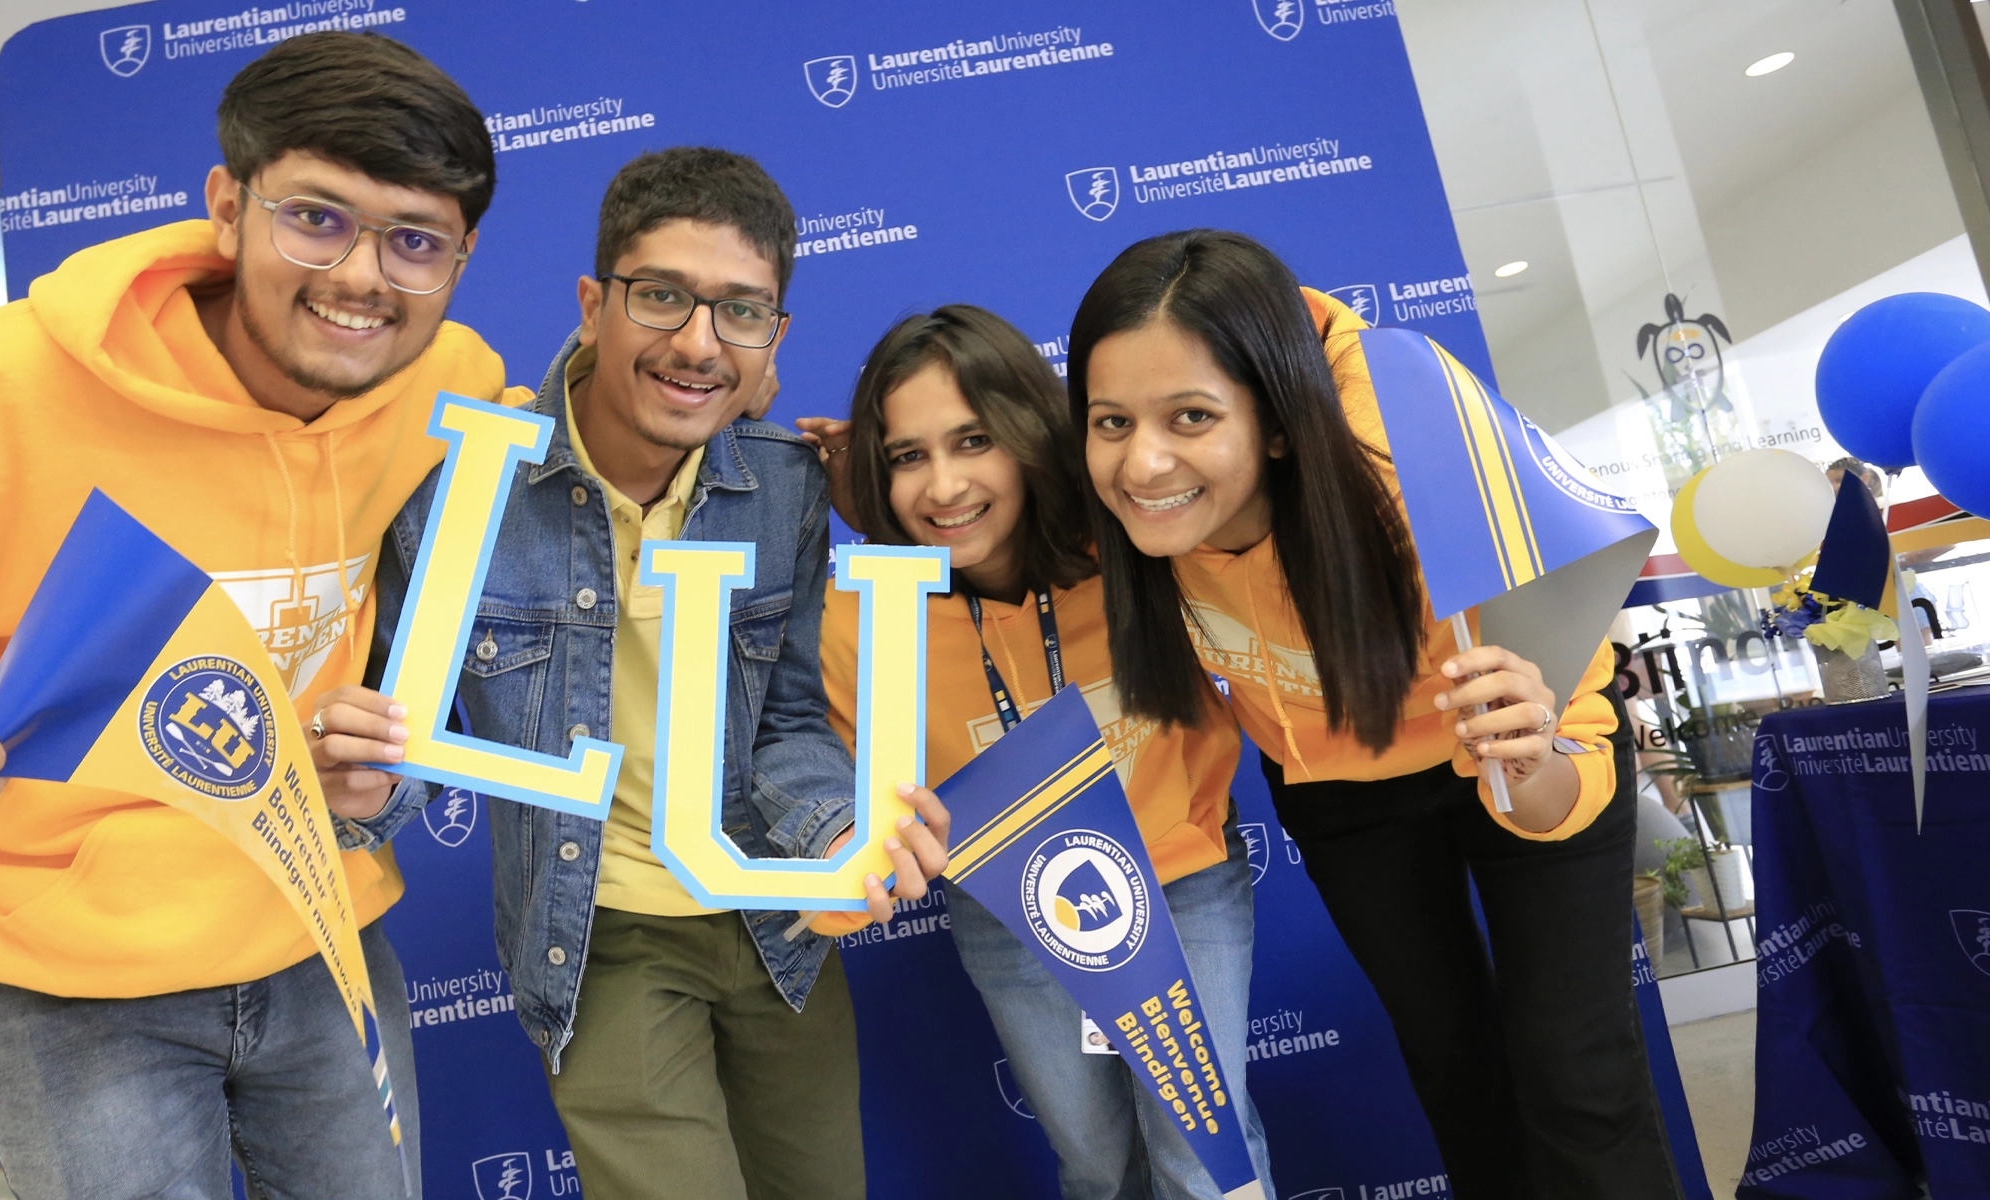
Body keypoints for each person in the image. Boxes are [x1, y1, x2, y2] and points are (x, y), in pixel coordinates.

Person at [0, 33, 511, 1199]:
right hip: (59, 972)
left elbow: (562, 455)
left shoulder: (446, 381)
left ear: (458, 261)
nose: (364, 276)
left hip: (319, 934)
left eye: (415, 243)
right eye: (317, 217)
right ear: (227, 205)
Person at [322, 146, 948, 1200]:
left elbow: (785, 718)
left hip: (776, 924)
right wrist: (370, 789)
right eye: (662, 297)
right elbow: (402, 729)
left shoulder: (783, 489)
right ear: (592, 303)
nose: (699, 344)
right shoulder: (459, 492)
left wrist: (836, 825)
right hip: (598, 935)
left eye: (740, 312)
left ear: (772, 338)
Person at [1067, 230, 1678, 1198]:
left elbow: (1573, 702)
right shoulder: (1114, 503)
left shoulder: (1405, 459)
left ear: (1276, 420)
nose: (1143, 464)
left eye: (1191, 417)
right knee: (1455, 1066)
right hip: (1344, 785)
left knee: (1577, 1073)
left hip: (1519, 744)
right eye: (1110, 422)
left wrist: (1538, 755)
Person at [799, 304, 1276, 1200]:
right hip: (1008, 910)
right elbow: (840, 796)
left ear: (1026, 432)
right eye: (908, 457)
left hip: (1179, 877)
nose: (943, 486)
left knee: (1203, 1149)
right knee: (1096, 1164)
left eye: (973, 440)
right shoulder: (862, 620)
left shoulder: (1138, 548)